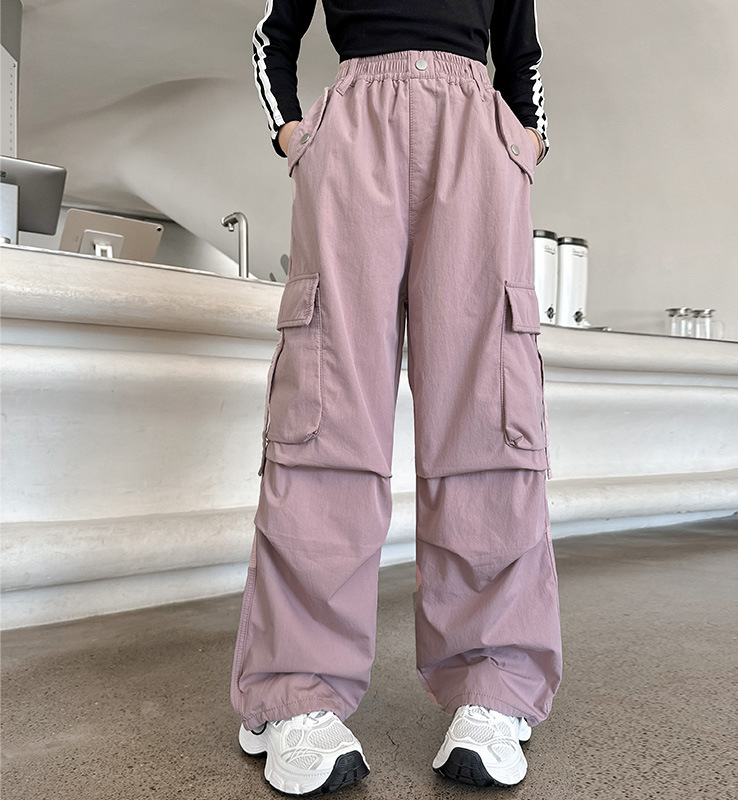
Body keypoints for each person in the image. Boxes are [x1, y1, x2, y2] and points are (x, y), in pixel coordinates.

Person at [231, 0, 562, 794]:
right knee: (327, 408)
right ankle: (295, 690)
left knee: (490, 410)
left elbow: (521, 51)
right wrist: (296, 134)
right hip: (355, 130)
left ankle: (495, 681)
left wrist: (525, 140)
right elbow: (274, 34)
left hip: (476, 134)